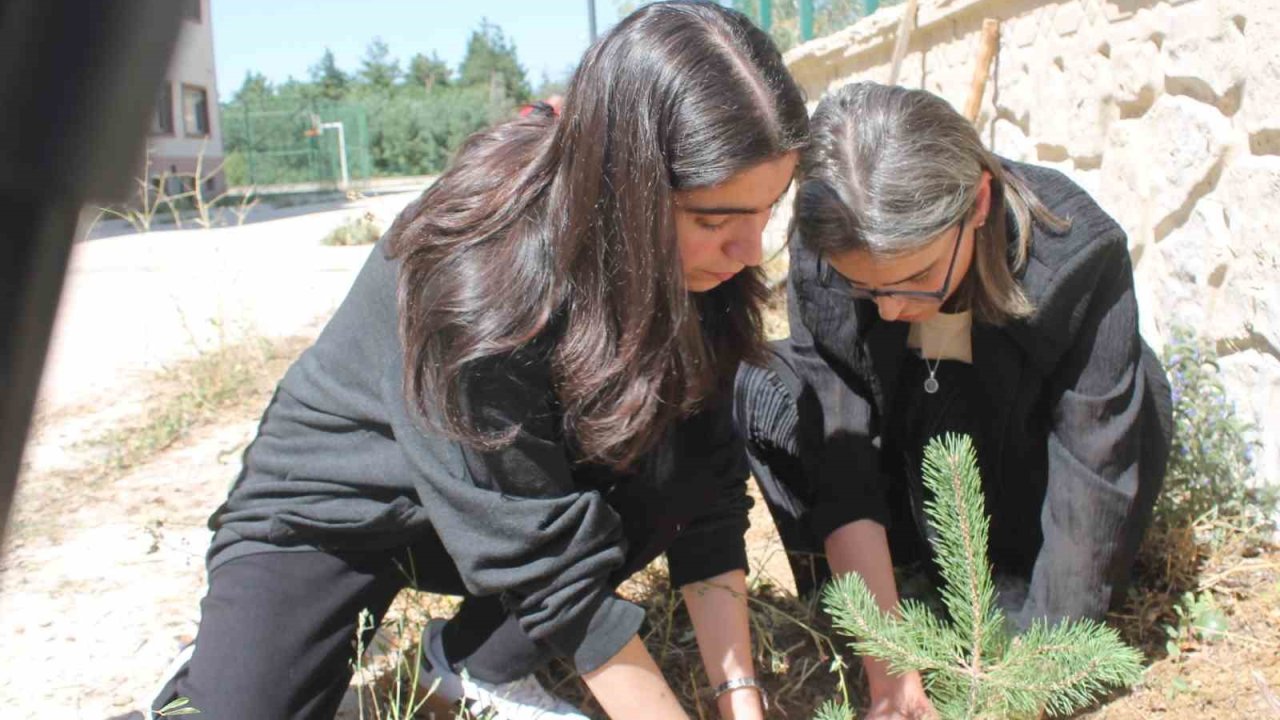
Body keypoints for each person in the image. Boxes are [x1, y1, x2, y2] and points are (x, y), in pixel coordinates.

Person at [149, 3, 808, 719]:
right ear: (627, 187)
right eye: (714, 220)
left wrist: (737, 694)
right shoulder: (480, 270)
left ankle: (471, 665)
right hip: (340, 510)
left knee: (665, 466)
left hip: (499, 495)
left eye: (767, 209)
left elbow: (703, 487)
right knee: (241, 709)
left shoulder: (692, 262)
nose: (750, 251)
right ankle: (223, 667)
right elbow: (541, 553)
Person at [734, 82, 1171, 719]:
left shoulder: (1078, 256)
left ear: (979, 203)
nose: (892, 308)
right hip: (900, 496)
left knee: (1144, 388)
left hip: (1022, 497)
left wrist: (1024, 687)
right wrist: (888, 667)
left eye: (915, 277)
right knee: (763, 380)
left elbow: (1094, 471)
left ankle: (1013, 599)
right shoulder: (826, 250)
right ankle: (883, 593)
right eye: (867, 288)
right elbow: (841, 448)